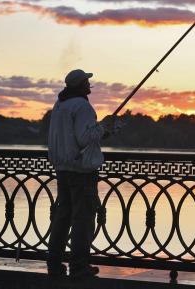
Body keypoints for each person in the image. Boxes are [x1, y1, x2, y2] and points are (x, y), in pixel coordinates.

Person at [47, 69, 115, 278]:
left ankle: (54, 263)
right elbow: (85, 138)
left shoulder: (60, 105)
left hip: (63, 168)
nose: (89, 84)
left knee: (63, 216)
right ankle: (79, 266)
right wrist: (104, 126)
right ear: (80, 85)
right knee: (83, 219)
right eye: (86, 81)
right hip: (81, 171)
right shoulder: (82, 106)